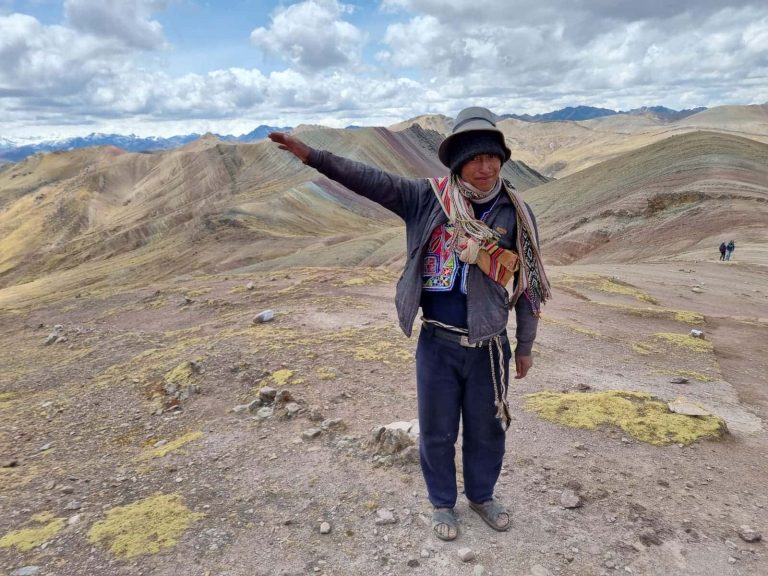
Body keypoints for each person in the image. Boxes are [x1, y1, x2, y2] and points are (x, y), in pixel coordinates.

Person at [268, 107, 550, 541]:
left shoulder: (516, 213)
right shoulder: (426, 199)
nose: (485, 166)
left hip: (490, 347)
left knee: (488, 429)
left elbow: (527, 284)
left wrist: (525, 344)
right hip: (437, 341)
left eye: (492, 157)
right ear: (458, 162)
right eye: (475, 158)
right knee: (437, 431)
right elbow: (369, 179)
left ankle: (481, 496)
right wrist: (313, 156)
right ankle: (442, 503)